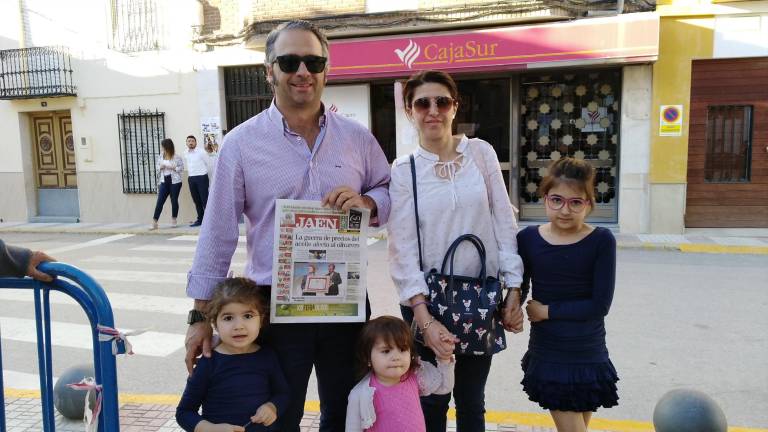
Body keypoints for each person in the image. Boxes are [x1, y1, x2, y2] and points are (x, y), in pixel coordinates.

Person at [185, 20, 391, 432]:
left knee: (348, 410)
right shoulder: (241, 144)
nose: (303, 71)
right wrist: (198, 317)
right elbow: (218, 230)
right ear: (270, 71)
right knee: (278, 416)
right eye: (290, 61)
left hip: (344, 300)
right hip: (274, 308)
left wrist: (368, 202)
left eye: (313, 61)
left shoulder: (357, 138)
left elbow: (388, 189)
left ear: (326, 71)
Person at [387, 70, 524, 431]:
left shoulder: (481, 153)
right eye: (422, 103)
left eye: (442, 102)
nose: (433, 110)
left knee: (471, 402)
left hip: (481, 295)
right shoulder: (404, 170)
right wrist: (423, 318)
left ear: (454, 107)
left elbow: (503, 223)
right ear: (410, 110)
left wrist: (514, 289)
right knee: (431, 401)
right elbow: (402, 246)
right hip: (428, 301)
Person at [515, 158, 618, 432]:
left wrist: (547, 311)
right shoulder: (528, 239)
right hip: (550, 350)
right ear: (544, 198)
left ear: (589, 203)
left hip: (588, 350)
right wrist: (511, 307)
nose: (565, 210)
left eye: (576, 202)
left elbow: (600, 305)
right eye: (557, 200)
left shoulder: (602, 241)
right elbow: (520, 285)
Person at [176, 277, 290, 432]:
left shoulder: (267, 356)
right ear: (215, 323)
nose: (239, 326)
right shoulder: (209, 363)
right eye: (228, 318)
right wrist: (209, 428)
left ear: (261, 320)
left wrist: (272, 407)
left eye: (248, 316)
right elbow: (184, 412)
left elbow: (282, 393)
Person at [345, 316, 455, 431]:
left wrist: (444, 358)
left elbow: (444, 387)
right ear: (368, 357)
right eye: (386, 351)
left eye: (402, 349)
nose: (396, 357)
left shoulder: (415, 376)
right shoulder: (361, 394)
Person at [151, 138, 184, 230]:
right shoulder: (161, 156)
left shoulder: (177, 157)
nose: (162, 148)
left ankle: (174, 219)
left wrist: (173, 168)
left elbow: (181, 168)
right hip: (164, 181)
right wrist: (160, 167)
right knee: (160, 201)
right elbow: (157, 166)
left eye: (163, 146)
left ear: (168, 147)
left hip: (175, 182)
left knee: (174, 200)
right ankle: (154, 221)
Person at [184, 135, 210, 227]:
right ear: (186, 143)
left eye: (192, 141)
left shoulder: (201, 152)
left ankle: (209, 221)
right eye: (189, 141)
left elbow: (208, 163)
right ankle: (200, 219)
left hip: (202, 177)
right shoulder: (185, 153)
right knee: (196, 200)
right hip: (191, 178)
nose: (190, 142)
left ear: (195, 142)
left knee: (205, 200)